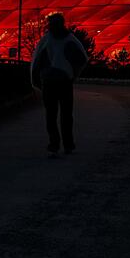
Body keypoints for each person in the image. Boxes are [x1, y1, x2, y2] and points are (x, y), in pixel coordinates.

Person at [31, 13, 88, 156]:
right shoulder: (70, 39)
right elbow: (83, 58)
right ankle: (68, 145)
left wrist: (36, 80)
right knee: (66, 114)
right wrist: (74, 74)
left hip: (49, 81)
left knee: (51, 115)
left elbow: (36, 60)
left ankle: (54, 145)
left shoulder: (46, 40)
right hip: (64, 81)